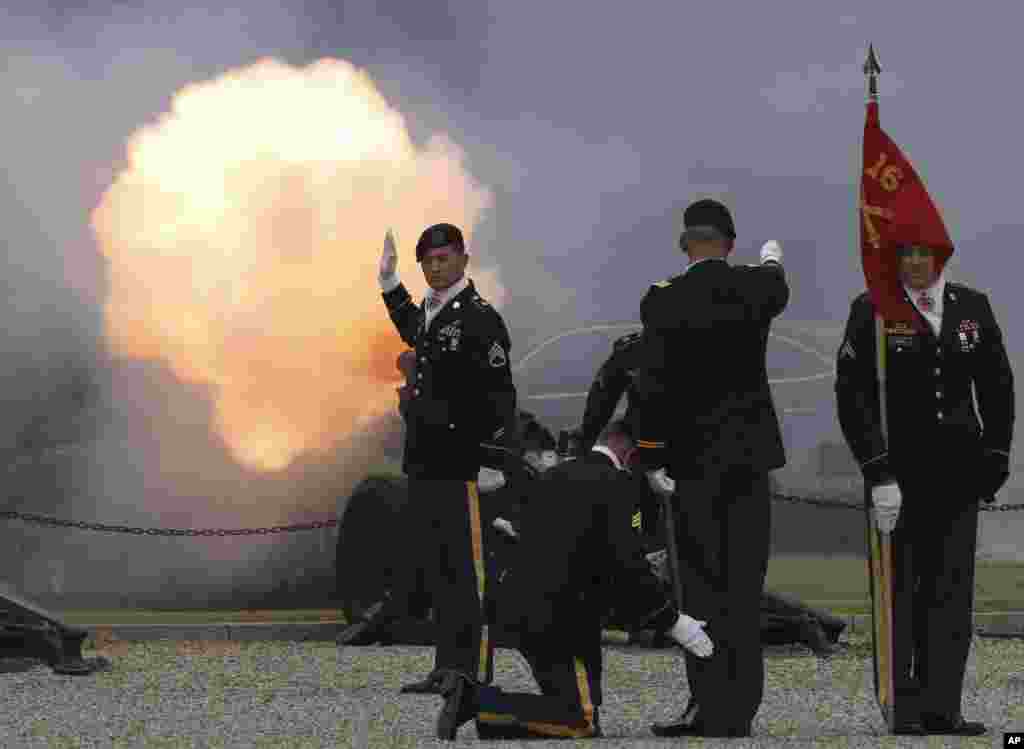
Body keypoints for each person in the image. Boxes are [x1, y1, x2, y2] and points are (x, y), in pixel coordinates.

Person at [432, 420, 714, 741]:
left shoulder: (555, 475)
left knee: (578, 708)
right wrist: (673, 621)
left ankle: (488, 709)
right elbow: (626, 569)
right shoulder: (617, 485)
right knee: (581, 721)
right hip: (560, 620)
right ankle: (474, 701)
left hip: (525, 608)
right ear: (629, 452)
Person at [835, 242, 1013, 736]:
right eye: (905, 254)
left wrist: (997, 455)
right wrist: (877, 471)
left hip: (957, 475)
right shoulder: (872, 308)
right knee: (902, 592)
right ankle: (904, 707)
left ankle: (944, 707)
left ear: (940, 257)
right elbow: (853, 394)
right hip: (899, 475)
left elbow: (997, 384)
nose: (913, 263)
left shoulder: (971, 306)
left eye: (922, 253)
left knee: (950, 593)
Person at [628, 198, 789, 738]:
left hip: (692, 464)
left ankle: (707, 703)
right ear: (730, 243)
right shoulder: (756, 288)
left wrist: (650, 455)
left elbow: (649, 385)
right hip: (748, 463)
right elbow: (776, 285)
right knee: (744, 587)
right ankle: (740, 710)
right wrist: (770, 261)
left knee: (699, 588)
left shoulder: (663, 300)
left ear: (685, 245)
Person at [581, 332, 844, 655]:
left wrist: (587, 454)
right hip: (701, 468)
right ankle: (820, 623)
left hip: (670, 472)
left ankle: (800, 626)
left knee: (696, 594)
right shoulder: (704, 349)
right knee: (719, 583)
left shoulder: (635, 356)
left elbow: (601, 402)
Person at [348, 224, 520, 695]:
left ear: (464, 260)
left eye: (444, 259)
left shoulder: (480, 318)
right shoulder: (433, 309)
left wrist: (494, 461)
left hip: (462, 462)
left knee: (466, 570)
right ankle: (446, 666)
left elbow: (500, 397)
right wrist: (389, 286)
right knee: (440, 566)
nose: (435, 267)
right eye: (427, 261)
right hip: (427, 460)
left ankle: (467, 671)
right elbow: (415, 333)